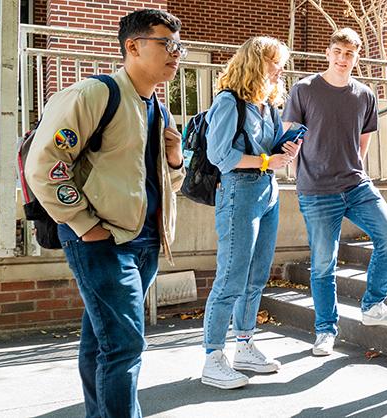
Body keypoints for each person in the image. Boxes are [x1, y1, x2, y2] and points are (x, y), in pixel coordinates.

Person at [24, 9, 186, 418]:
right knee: (124, 344)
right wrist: (84, 224)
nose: (176, 53)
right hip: (103, 239)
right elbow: (45, 166)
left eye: (177, 46)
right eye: (166, 44)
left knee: (102, 342)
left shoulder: (159, 111)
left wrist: (174, 158)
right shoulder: (94, 95)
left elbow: (168, 186)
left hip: (145, 240)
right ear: (132, 46)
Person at [284, 28, 387, 357]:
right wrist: (300, 176)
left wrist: (354, 169)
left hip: (356, 185)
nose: (343, 59)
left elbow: (363, 143)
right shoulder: (304, 89)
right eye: (338, 52)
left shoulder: (364, 95)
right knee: (324, 264)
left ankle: (373, 305)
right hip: (317, 190)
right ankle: (325, 330)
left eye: (349, 54)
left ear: (356, 58)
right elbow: (289, 140)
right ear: (328, 53)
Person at [199, 36, 302, 390]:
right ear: (257, 62)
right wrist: (264, 160)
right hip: (239, 191)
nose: (281, 70)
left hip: (268, 190)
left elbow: (267, 150)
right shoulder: (229, 101)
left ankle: (244, 345)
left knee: (257, 276)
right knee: (231, 277)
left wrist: (283, 151)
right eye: (276, 62)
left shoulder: (268, 105)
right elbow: (219, 154)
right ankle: (213, 357)